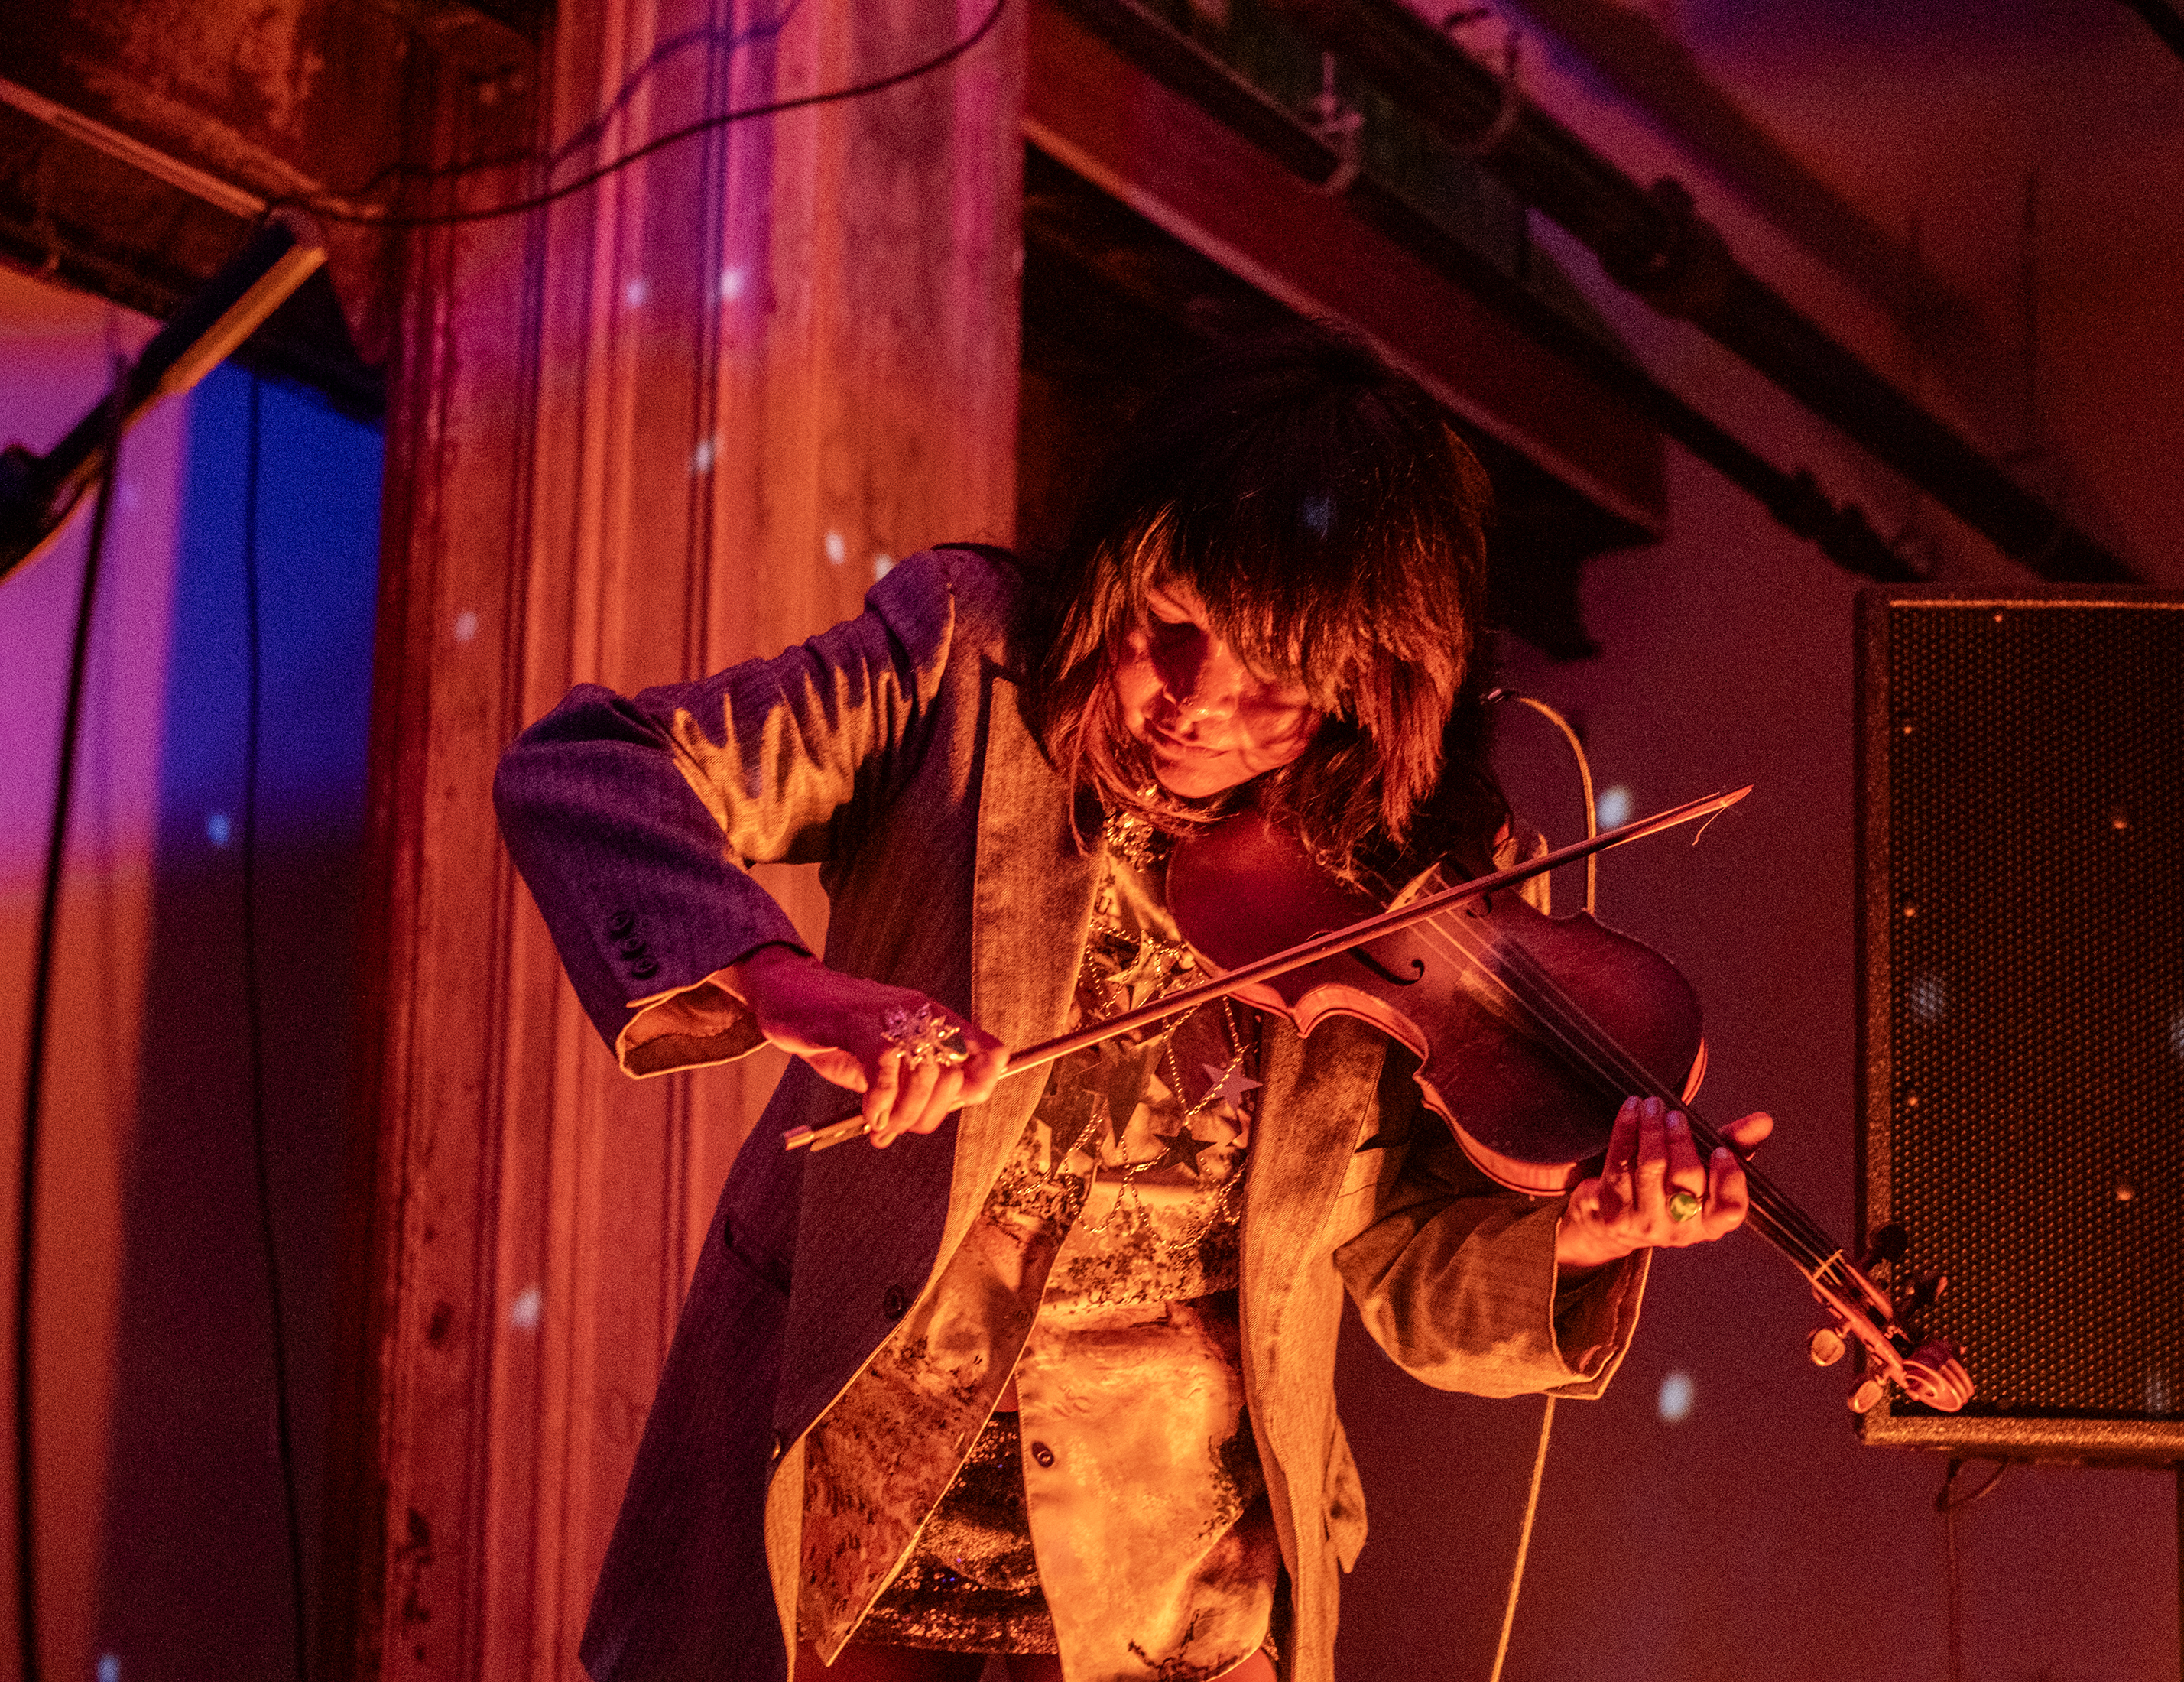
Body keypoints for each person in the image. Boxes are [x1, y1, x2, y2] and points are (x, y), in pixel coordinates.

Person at [493, 324, 1770, 1682]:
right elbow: (592, 770)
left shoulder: (1419, 869)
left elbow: (1398, 1265)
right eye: (1170, 633)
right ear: (1117, 573)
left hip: (1178, 1593)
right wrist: (790, 986)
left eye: (1275, 688)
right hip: (840, 1523)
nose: (1192, 708)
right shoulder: (963, 667)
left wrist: (1576, 1239)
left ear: (1374, 686)